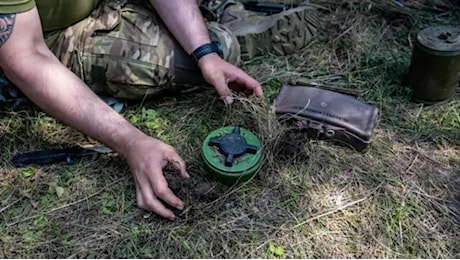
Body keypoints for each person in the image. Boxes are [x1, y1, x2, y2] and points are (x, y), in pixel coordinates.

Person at [0, 0, 320, 220]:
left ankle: (218, 22)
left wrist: (205, 53)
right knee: (188, 58)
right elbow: (26, 55)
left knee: (206, 52)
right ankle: (231, 29)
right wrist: (131, 141)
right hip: (38, 36)